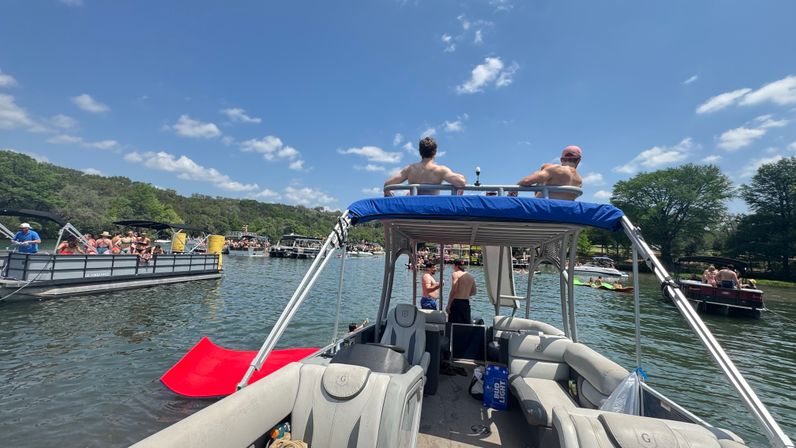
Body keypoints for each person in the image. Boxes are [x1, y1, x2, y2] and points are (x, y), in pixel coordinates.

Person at [383, 136, 467, 196]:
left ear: (420, 152)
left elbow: (387, 184)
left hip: (413, 212)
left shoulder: (410, 169)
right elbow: (461, 182)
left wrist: (388, 193)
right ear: (435, 152)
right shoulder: (440, 170)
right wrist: (461, 187)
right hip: (432, 212)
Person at [516, 145, 583, 200]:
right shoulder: (579, 181)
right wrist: (540, 183)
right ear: (578, 160)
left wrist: (514, 189)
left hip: (543, 211)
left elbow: (527, 181)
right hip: (564, 213)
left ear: (561, 159)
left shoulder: (557, 169)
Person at [447, 259, 476, 323]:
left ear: (456, 266)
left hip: (456, 303)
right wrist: (465, 294)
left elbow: (454, 289)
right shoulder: (470, 276)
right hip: (466, 303)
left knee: (454, 326)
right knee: (465, 326)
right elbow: (474, 292)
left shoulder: (455, 274)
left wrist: (448, 305)